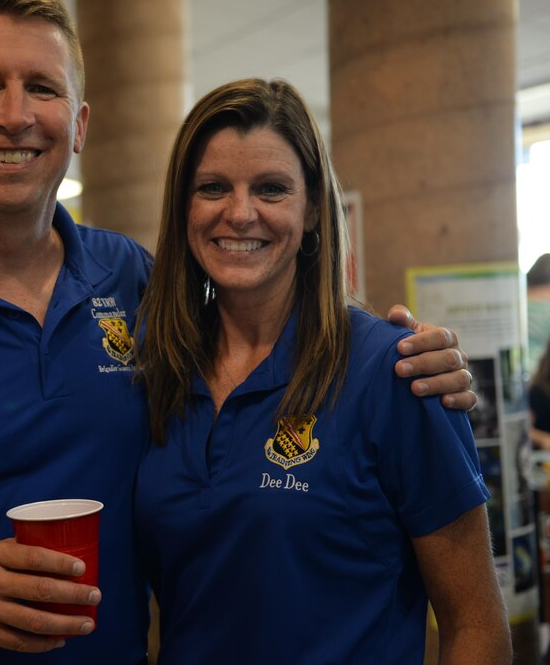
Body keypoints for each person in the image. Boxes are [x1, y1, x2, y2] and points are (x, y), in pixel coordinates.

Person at [0, 0, 476, 662]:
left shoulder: (134, 283)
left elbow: (268, 311)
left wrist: (395, 346)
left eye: (42, 88)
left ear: (78, 124)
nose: (15, 114)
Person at [134, 78, 511, 663]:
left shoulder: (394, 374)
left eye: (271, 189)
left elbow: (477, 626)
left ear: (312, 209)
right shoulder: (162, 370)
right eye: (212, 188)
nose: (239, 213)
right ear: (184, 209)